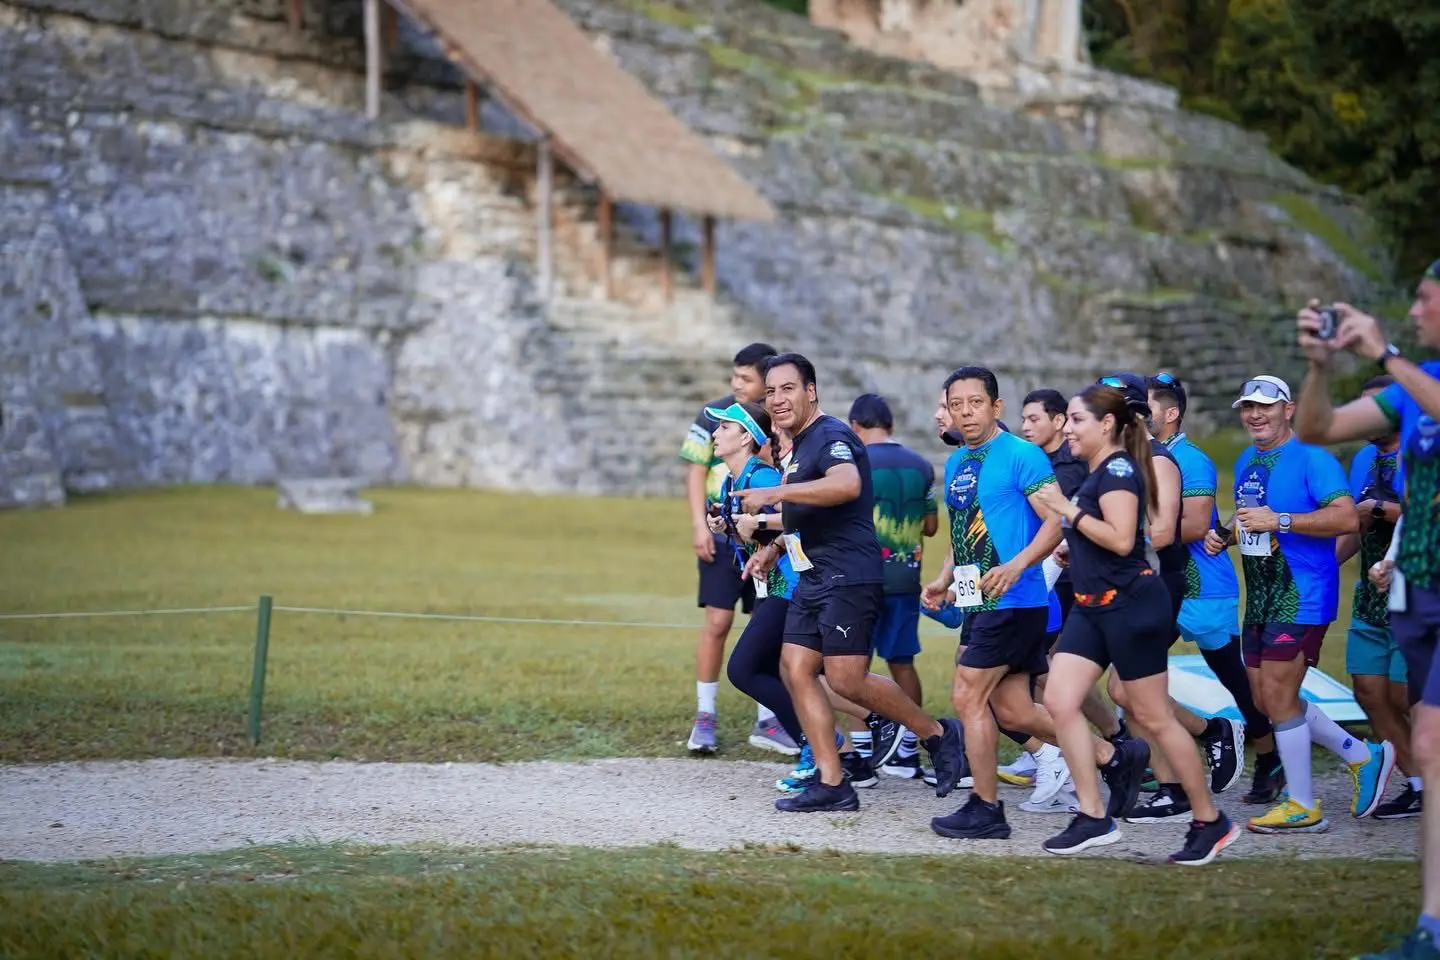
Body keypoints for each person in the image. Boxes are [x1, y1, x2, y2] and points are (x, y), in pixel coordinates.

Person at [1287, 262, 1440, 960]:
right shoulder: (1410, 395)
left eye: (1424, 298)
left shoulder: (1413, 379)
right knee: (1430, 749)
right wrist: (1319, 366)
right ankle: (1431, 932)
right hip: (1421, 585)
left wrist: (1382, 355)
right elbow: (1319, 428)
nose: (1413, 311)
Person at [738, 353, 964, 813]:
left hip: (849, 577)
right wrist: (774, 548)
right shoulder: (798, 447)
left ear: (810, 391)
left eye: (787, 389)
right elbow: (812, 510)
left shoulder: (831, 435)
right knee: (796, 668)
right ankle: (833, 781)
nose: (777, 400)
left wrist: (774, 494)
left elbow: (845, 487)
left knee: (846, 677)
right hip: (813, 576)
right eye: (771, 393)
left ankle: (937, 734)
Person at [1036, 383, 1239, 864]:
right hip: (1091, 606)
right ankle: (1092, 816)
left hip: (1131, 606)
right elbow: (1098, 534)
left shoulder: (1121, 469)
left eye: (1077, 420)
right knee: (1059, 699)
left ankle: (1210, 821)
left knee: (1153, 717)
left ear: (1107, 425)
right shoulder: (1096, 471)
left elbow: (1124, 539)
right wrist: (1073, 544)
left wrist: (1068, 512)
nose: (1068, 428)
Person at [1202, 374, 1392, 835]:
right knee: (1266, 697)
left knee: (1280, 696)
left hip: (1303, 595)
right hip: (1262, 598)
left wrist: (1280, 520)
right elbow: (1254, 517)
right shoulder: (1249, 458)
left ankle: (1303, 806)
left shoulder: (1313, 458)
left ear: (1288, 410)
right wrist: (1225, 534)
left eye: (1265, 406)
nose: (1255, 415)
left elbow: (1347, 516)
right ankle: (1360, 755)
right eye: (1247, 407)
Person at [1148, 373, 1279, 806]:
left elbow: (1196, 525)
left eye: (1145, 406)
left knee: (1240, 683)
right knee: (1132, 679)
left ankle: (1267, 757)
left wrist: (1128, 532)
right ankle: (1168, 768)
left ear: (1170, 414)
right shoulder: (1147, 456)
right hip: (1167, 589)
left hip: (1204, 590)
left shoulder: (1191, 460)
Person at [678, 342, 792, 755]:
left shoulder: (778, 422)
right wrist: (700, 526)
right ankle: (704, 717)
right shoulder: (715, 415)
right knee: (718, 623)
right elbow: (695, 472)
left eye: (746, 378)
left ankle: (769, 719)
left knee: (767, 630)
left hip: (769, 543)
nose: (736, 384)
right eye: (735, 376)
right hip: (725, 536)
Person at [1337, 376, 1420, 820]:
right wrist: (1325, 567)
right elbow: (1355, 523)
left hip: (1415, 590)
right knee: (1369, 692)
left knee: (1405, 693)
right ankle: (1419, 784)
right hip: (1370, 592)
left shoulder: (1422, 450)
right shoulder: (1364, 459)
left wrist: (1384, 510)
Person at [847, 394, 937, 779]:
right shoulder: (921, 465)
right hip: (906, 578)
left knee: (852, 665)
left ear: (855, 428)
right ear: (892, 426)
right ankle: (909, 747)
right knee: (902, 661)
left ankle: (863, 750)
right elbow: (931, 527)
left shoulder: (857, 462)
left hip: (862, 579)